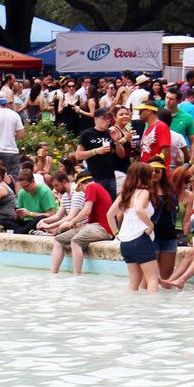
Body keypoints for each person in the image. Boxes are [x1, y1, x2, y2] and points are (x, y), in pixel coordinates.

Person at [50, 171, 114, 275]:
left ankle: (76, 276)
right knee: (58, 240)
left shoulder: (91, 187)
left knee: (75, 241)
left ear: (80, 184)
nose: (82, 192)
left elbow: (86, 211)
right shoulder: (95, 187)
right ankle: (53, 274)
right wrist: (78, 224)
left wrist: (73, 221)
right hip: (93, 226)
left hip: (103, 228)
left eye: (80, 189)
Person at [107, 162, 158, 292]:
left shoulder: (124, 194)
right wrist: (150, 225)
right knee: (152, 279)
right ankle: (155, 310)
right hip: (140, 238)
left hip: (125, 242)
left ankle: (131, 308)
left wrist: (116, 233)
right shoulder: (143, 192)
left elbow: (109, 215)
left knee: (133, 283)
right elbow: (139, 209)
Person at [76, 106, 119, 200]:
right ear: (96, 119)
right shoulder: (87, 134)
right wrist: (96, 151)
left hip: (110, 175)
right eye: (104, 118)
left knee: (111, 203)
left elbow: (120, 154)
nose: (107, 121)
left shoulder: (110, 133)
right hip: (95, 176)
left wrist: (117, 141)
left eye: (109, 119)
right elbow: (78, 155)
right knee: (98, 204)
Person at [14, 168, 57, 233]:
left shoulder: (45, 191)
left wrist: (30, 214)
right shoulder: (22, 192)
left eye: (26, 186)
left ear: (33, 181)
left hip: (40, 221)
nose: (25, 189)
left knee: (41, 218)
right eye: (22, 187)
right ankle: (22, 231)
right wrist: (17, 214)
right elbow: (20, 217)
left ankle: (20, 231)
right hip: (26, 222)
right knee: (4, 220)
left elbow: (51, 214)